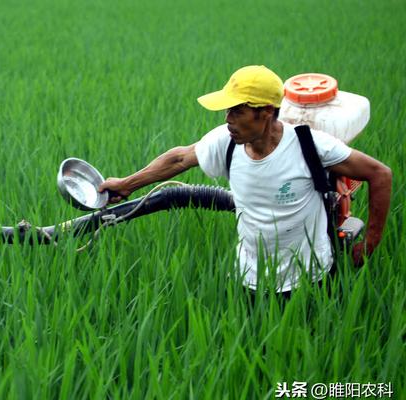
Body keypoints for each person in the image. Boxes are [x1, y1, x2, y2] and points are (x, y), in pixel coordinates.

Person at [98, 65, 392, 295]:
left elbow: (380, 174)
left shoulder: (309, 146)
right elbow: (179, 158)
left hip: (310, 280)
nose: (228, 119)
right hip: (248, 279)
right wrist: (126, 184)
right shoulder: (226, 142)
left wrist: (371, 241)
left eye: (237, 111)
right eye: (228, 110)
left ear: (265, 113)